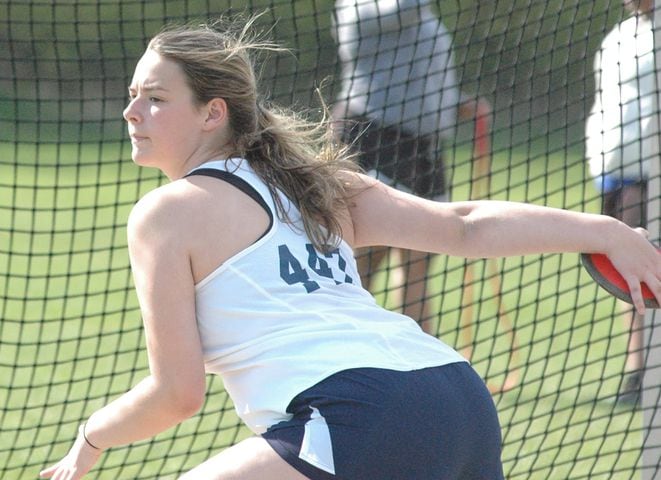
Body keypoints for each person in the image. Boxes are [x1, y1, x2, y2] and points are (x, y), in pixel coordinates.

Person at [40, 17, 660, 480]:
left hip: (361, 411)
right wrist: (603, 230)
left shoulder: (166, 214)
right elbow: (464, 226)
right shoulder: (313, 183)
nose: (131, 111)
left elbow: (177, 395)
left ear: (213, 114)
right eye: (132, 94)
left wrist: (90, 439)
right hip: (456, 395)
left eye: (155, 97)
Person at [331, 0, 491, 333]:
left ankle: (419, 361)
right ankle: (346, 349)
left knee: (421, 253)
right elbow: (398, 16)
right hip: (373, 138)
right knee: (365, 254)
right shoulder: (359, 7)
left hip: (421, 147)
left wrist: (455, 103)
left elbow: (417, 70)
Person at [585, 0, 656, 405]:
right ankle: (639, 373)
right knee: (633, 276)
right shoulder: (618, 37)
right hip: (615, 173)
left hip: (650, 177)